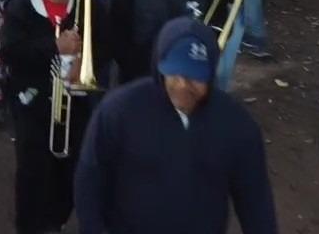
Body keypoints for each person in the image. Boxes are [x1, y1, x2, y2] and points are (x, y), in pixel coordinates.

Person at [75, 18, 278, 234]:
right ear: (159, 67)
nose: (183, 85)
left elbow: (255, 201)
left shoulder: (237, 126)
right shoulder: (119, 110)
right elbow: (90, 179)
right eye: (175, 73)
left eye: (194, 77)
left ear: (210, 75)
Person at [0, 0, 107, 234]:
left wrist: (86, 61)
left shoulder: (89, 4)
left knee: (70, 165)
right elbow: (10, 52)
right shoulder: (22, 7)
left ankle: (56, 219)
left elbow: (106, 45)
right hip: (32, 101)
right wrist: (53, 47)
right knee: (32, 167)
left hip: (77, 99)